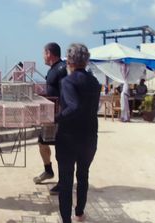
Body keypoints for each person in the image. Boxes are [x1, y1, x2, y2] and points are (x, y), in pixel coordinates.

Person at [55, 43, 100, 223]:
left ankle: (66, 220)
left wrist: (56, 118)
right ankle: (79, 213)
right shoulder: (95, 82)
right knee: (83, 176)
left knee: (66, 181)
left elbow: (73, 107)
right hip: (89, 136)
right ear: (86, 60)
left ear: (70, 61)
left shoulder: (67, 81)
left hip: (69, 138)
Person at [33, 42, 67, 195]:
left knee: (62, 148)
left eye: (44, 53)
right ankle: (48, 170)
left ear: (49, 53)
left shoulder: (62, 69)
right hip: (49, 114)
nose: (43, 57)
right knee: (42, 142)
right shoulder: (53, 70)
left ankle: (63, 182)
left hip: (59, 115)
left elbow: (65, 93)